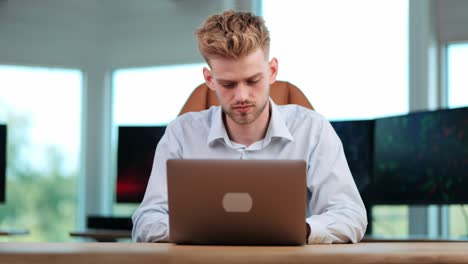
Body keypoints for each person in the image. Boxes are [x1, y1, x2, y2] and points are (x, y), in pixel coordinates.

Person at [132, 10, 367, 244]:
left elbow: (350, 215)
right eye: (228, 84)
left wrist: (299, 229)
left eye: (253, 80)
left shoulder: (313, 129)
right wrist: (192, 230)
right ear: (210, 79)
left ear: (272, 71)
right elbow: (147, 219)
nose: (242, 95)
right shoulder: (181, 134)